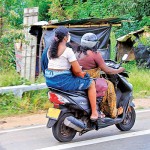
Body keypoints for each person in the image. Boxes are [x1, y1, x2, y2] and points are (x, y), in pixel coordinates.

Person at [41, 26, 101, 121]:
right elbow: (77, 71)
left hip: (50, 81)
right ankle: (94, 112)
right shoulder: (68, 51)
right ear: (65, 37)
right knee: (91, 83)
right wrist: (84, 74)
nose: (69, 36)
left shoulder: (49, 50)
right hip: (63, 82)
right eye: (68, 34)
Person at [76, 33, 124, 118]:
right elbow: (107, 70)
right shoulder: (95, 54)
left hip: (79, 80)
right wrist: (119, 70)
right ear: (94, 43)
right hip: (91, 80)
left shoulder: (78, 53)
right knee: (109, 85)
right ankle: (113, 112)